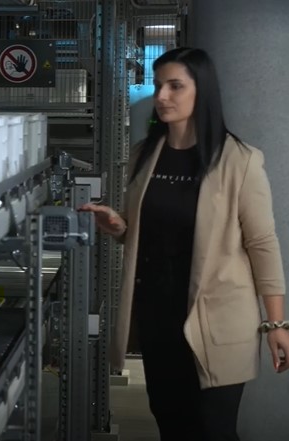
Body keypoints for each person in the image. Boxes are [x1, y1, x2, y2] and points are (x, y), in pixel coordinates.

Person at [79, 47, 289, 441]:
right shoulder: (144, 155)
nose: (161, 96)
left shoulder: (239, 161)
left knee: (213, 429)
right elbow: (150, 231)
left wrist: (277, 324)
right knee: (170, 423)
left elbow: (262, 243)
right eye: (159, 85)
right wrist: (120, 226)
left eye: (175, 86)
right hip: (158, 318)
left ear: (202, 91)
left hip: (219, 321)